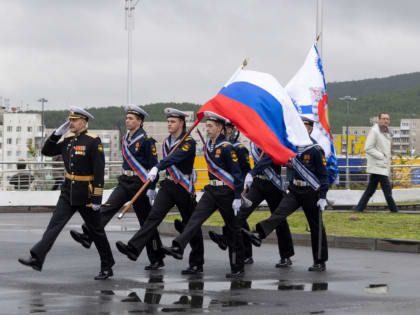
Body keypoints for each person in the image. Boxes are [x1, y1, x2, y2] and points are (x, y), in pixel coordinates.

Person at [18, 106, 115, 280]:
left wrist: (97, 198)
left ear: (84, 122)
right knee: (54, 225)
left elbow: (99, 171)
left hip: (86, 193)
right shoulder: (68, 140)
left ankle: (107, 265)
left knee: (96, 231)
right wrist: (57, 133)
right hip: (68, 190)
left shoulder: (93, 141)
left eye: (74, 120)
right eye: (69, 120)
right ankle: (37, 258)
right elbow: (46, 151)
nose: (71, 123)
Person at [69, 105, 165, 270]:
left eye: (131, 118)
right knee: (107, 207)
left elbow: (154, 167)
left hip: (140, 184)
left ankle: (156, 257)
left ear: (140, 121)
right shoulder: (126, 137)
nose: (127, 121)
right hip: (124, 182)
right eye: (127, 118)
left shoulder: (147, 140)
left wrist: (151, 188)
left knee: (145, 222)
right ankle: (88, 235)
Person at [116, 108, 204, 275]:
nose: (169, 124)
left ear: (181, 123)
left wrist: (157, 167)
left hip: (183, 187)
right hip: (169, 186)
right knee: (153, 217)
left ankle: (196, 262)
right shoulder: (166, 141)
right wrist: (154, 184)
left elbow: (174, 158)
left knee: (190, 224)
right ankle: (133, 247)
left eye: (173, 122)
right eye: (168, 121)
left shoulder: (189, 142)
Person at [161, 112, 245, 278]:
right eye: (206, 126)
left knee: (233, 229)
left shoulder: (227, 148)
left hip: (226, 192)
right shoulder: (209, 146)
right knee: (194, 220)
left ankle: (237, 265)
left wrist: (237, 196)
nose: (207, 129)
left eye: (211, 126)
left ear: (220, 128)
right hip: (211, 191)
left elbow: (237, 174)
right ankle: (178, 246)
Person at [242, 115, 329, 272]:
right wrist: (252, 172)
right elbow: (269, 159)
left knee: (315, 226)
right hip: (295, 190)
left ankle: (319, 260)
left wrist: (322, 196)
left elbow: (324, 175)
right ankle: (259, 234)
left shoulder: (315, 150)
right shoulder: (290, 146)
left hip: (311, 191)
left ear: (310, 129)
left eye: (304, 127)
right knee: (279, 214)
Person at [209, 141, 295, 268]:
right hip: (258, 184)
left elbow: (268, 159)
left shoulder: (273, 139)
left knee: (279, 221)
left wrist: (252, 172)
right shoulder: (255, 141)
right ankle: (231, 242)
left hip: (273, 184)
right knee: (241, 212)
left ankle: (286, 256)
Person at [354, 113, 398, 213]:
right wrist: (381, 156)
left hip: (381, 166)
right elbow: (368, 148)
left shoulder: (386, 132)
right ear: (379, 120)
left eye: (387, 119)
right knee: (387, 191)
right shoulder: (375, 131)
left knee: (370, 190)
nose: (386, 121)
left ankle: (358, 209)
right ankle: (395, 210)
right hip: (379, 166)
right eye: (383, 119)